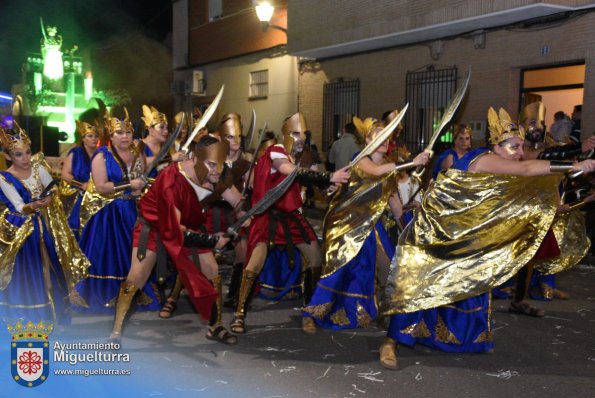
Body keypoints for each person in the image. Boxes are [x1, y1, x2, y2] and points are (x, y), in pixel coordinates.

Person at [378, 107, 595, 369]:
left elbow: (537, 159)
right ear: (497, 147)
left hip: (463, 238)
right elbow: (528, 168)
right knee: (419, 286)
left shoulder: (502, 166)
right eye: (514, 147)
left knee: (467, 283)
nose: (520, 153)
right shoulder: (483, 159)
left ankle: (449, 337)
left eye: (521, 146)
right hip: (436, 235)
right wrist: (574, 165)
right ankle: (390, 343)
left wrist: (574, 155)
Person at [109, 134, 244, 344]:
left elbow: (237, 201)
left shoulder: (218, 173)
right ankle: (115, 332)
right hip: (154, 227)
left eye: (219, 164)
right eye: (210, 164)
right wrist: (211, 241)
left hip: (189, 226)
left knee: (211, 271)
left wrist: (245, 213)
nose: (216, 170)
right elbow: (174, 230)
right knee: (136, 277)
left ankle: (215, 326)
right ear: (195, 159)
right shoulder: (173, 180)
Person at [303, 114, 429, 330]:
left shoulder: (390, 169)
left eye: (388, 136)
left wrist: (410, 228)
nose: (386, 140)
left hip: (372, 224)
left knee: (389, 266)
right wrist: (411, 162)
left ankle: (387, 314)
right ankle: (312, 315)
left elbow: (396, 205)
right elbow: (376, 171)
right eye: (380, 135)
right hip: (347, 223)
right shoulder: (360, 159)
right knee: (338, 270)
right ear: (368, 141)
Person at [230, 113, 350, 335]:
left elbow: (317, 180)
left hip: (292, 216)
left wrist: (330, 185)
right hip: (268, 213)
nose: (300, 138)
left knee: (315, 259)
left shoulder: (304, 157)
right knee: (254, 263)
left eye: (303, 133)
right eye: (295, 133)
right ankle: (239, 313)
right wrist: (328, 177)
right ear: (285, 134)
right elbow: (287, 170)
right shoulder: (277, 150)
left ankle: (309, 313)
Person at [0, 122, 89, 324]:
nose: (25, 158)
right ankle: (32, 318)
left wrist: (49, 199)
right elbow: (19, 206)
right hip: (23, 231)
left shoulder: (39, 169)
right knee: (31, 272)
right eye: (18, 154)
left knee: (51, 268)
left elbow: (53, 191)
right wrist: (36, 205)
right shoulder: (4, 178)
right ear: (8, 156)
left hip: (46, 225)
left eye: (27, 152)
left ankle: (55, 317)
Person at [74, 109, 157, 313]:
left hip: (130, 211)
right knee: (109, 254)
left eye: (128, 132)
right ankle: (107, 297)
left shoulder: (137, 154)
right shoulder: (101, 156)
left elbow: (140, 181)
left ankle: (133, 294)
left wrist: (139, 188)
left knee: (134, 253)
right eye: (119, 133)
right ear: (111, 136)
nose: (125, 136)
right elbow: (101, 186)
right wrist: (131, 184)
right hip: (107, 214)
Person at [60, 118, 99, 239]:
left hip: (96, 196)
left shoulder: (101, 154)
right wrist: (81, 185)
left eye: (96, 136)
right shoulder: (76, 152)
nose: (94, 139)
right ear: (83, 139)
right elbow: (65, 174)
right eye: (90, 136)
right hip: (78, 196)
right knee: (76, 226)